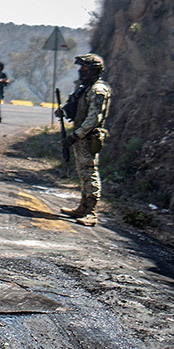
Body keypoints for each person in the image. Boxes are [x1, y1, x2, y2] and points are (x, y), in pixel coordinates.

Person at [56, 54, 113, 226]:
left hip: (88, 137)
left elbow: (94, 118)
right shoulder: (86, 88)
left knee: (89, 172)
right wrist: (64, 112)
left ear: (93, 70)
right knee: (83, 172)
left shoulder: (98, 90)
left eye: (85, 68)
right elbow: (75, 107)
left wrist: (75, 136)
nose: (81, 71)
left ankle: (91, 212)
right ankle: (82, 207)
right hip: (81, 137)